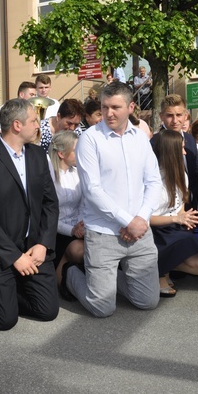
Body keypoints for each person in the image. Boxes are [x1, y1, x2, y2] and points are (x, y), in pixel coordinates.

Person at [64, 82, 161, 317]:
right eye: (104, 107)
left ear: (131, 107)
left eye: (116, 107)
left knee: (147, 301)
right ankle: (70, 274)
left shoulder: (139, 138)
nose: (109, 113)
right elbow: (92, 190)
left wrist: (141, 218)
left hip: (139, 232)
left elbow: (154, 182)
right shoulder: (90, 139)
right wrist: (128, 220)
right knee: (102, 308)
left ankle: (109, 281)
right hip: (103, 234)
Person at [0, 98, 59, 330]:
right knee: (5, 321)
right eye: (34, 120)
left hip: (34, 248)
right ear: (17, 125)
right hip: (2, 253)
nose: (39, 125)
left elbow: (50, 204)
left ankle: (10, 291)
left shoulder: (38, 155)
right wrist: (14, 258)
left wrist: (43, 244)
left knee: (47, 311)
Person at [150, 130, 198, 297]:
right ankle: (158, 270)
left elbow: (181, 205)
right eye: (181, 149)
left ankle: (159, 267)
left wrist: (185, 218)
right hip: (155, 231)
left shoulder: (181, 172)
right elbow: (145, 219)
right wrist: (177, 218)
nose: (185, 152)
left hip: (174, 227)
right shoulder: (154, 179)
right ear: (171, 152)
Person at [47, 131, 84, 299]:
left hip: (77, 227)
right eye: (76, 149)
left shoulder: (77, 173)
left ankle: (69, 274)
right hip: (56, 231)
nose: (81, 153)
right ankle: (64, 271)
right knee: (80, 250)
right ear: (61, 153)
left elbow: (83, 204)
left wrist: (81, 225)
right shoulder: (48, 177)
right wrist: (72, 230)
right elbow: (48, 216)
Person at [152, 94, 198, 209]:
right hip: (165, 207)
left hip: (190, 204)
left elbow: (196, 171)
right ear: (161, 116)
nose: (175, 120)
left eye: (179, 115)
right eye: (170, 116)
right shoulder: (154, 143)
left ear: (185, 116)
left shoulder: (189, 139)